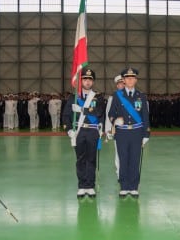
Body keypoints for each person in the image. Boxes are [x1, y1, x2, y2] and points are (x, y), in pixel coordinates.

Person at [62, 68, 105, 198]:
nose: (87, 82)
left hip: (92, 131)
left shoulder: (98, 97)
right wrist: (69, 129)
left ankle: (90, 186)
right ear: (81, 81)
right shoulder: (74, 97)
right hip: (78, 131)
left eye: (90, 79)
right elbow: (66, 115)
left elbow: (99, 113)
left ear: (93, 82)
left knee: (91, 159)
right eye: (85, 79)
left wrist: (82, 110)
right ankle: (82, 186)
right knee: (80, 160)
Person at [108, 68, 150, 198]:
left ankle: (133, 187)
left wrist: (146, 135)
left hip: (137, 132)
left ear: (136, 80)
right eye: (128, 78)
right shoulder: (117, 95)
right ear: (124, 80)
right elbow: (111, 114)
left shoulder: (141, 96)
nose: (130, 80)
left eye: (133, 78)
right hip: (122, 133)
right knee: (123, 159)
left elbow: (145, 116)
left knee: (134, 159)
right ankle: (124, 186)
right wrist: (115, 120)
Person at [105, 74, 125, 179]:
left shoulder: (132, 96)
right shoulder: (113, 97)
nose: (121, 85)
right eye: (119, 83)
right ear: (117, 85)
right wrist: (108, 130)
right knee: (118, 152)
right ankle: (119, 173)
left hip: (131, 130)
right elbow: (109, 113)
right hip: (118, 129)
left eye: (123, 83)